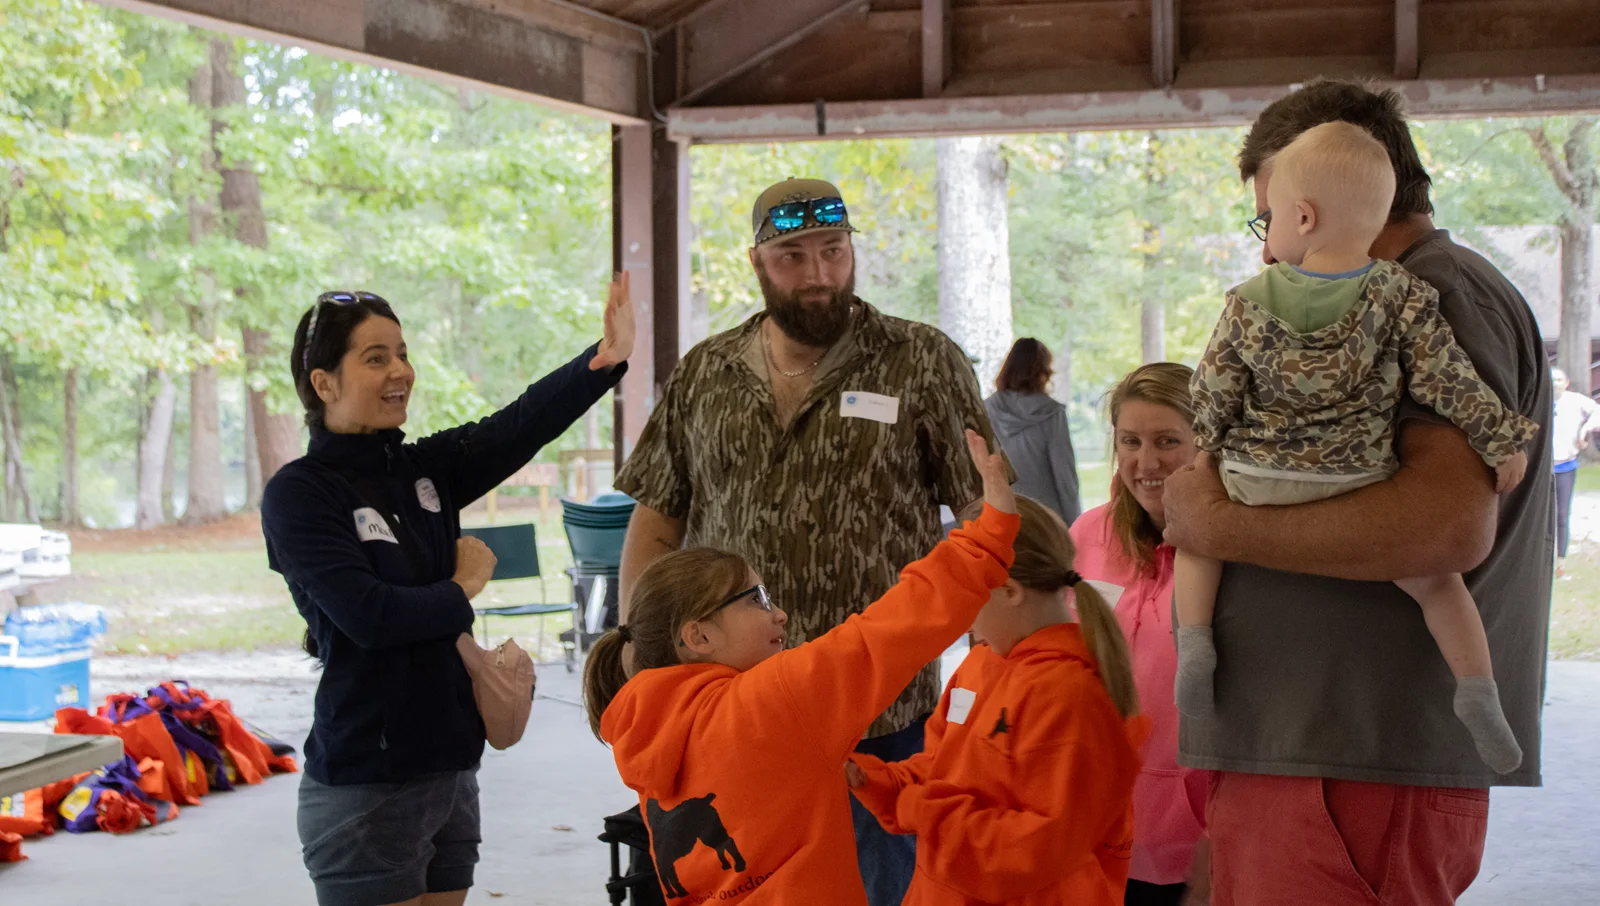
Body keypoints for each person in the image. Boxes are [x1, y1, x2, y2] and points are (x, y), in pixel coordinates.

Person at [1160, 79, 1554, 906]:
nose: (1267, 251)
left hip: (1353, 770)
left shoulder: (1435, 291)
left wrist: (1215, 523)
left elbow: (1443, 527)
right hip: (1323, 762)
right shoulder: (1371, 295)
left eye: (1269, 217)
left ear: (1317, 204)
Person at [613, 177, 1007, 906]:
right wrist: (640, 653)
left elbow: (984, 511)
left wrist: (999, 665)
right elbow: (657, 520)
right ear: (758, 263)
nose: (819, 273)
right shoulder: (705, 373)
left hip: (878, 720)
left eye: (833, 250)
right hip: (735, 728)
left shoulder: (920, 359)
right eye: (792, 255)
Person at [261, 277, 633, 906]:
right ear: (324, 384)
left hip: (451, 772)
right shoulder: (300, 494)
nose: (399, 371)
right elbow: (370, 617)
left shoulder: (422, 470)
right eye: (375, 358)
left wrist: (604, 360)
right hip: (366, 787)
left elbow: (518, 426)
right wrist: (462, 586)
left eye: (402, 353)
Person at [586, 432, 1018, 905]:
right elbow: (891, 629)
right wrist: (988, 536)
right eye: (756, 599)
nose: (780, 614)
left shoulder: (646, 733)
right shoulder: (772, 701)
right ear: (698, 636)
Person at [846, 495, 1144, 906]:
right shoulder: (980, 664)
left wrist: (921, 809)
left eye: (967, 593)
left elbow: (1037, 848)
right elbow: (941, 765)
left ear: (1009, 590)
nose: (960, 615)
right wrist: (874, 780)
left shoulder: (1070, 696)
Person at [1070, 363, 1211, 906]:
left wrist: (1225, 836)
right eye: (1130, 441)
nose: (1145, 463)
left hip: (1196, 843)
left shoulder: (1235, 548)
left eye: (1167, 441)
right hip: (1088, 832)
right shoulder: (1088, 533)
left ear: (1207, 442)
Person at [986, 338, 1082, 524]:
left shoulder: (986, 410)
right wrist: (1074, 524)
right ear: (1043, 371)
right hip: (1045, 516)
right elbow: (1064, 475)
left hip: (999, 514)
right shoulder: (1052, 413)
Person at [1551, 367, 1599, 574]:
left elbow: (1597, 412)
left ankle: (1560, 562)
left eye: (1559, 380)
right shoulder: (1540, 401)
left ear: (1566, 383)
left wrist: (1585, 429)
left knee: (1562, 514)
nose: (1555, 384)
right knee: (1541, 514)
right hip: (1542, 469)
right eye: (1551, 380)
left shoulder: (1576, 401)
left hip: (1565, 465)